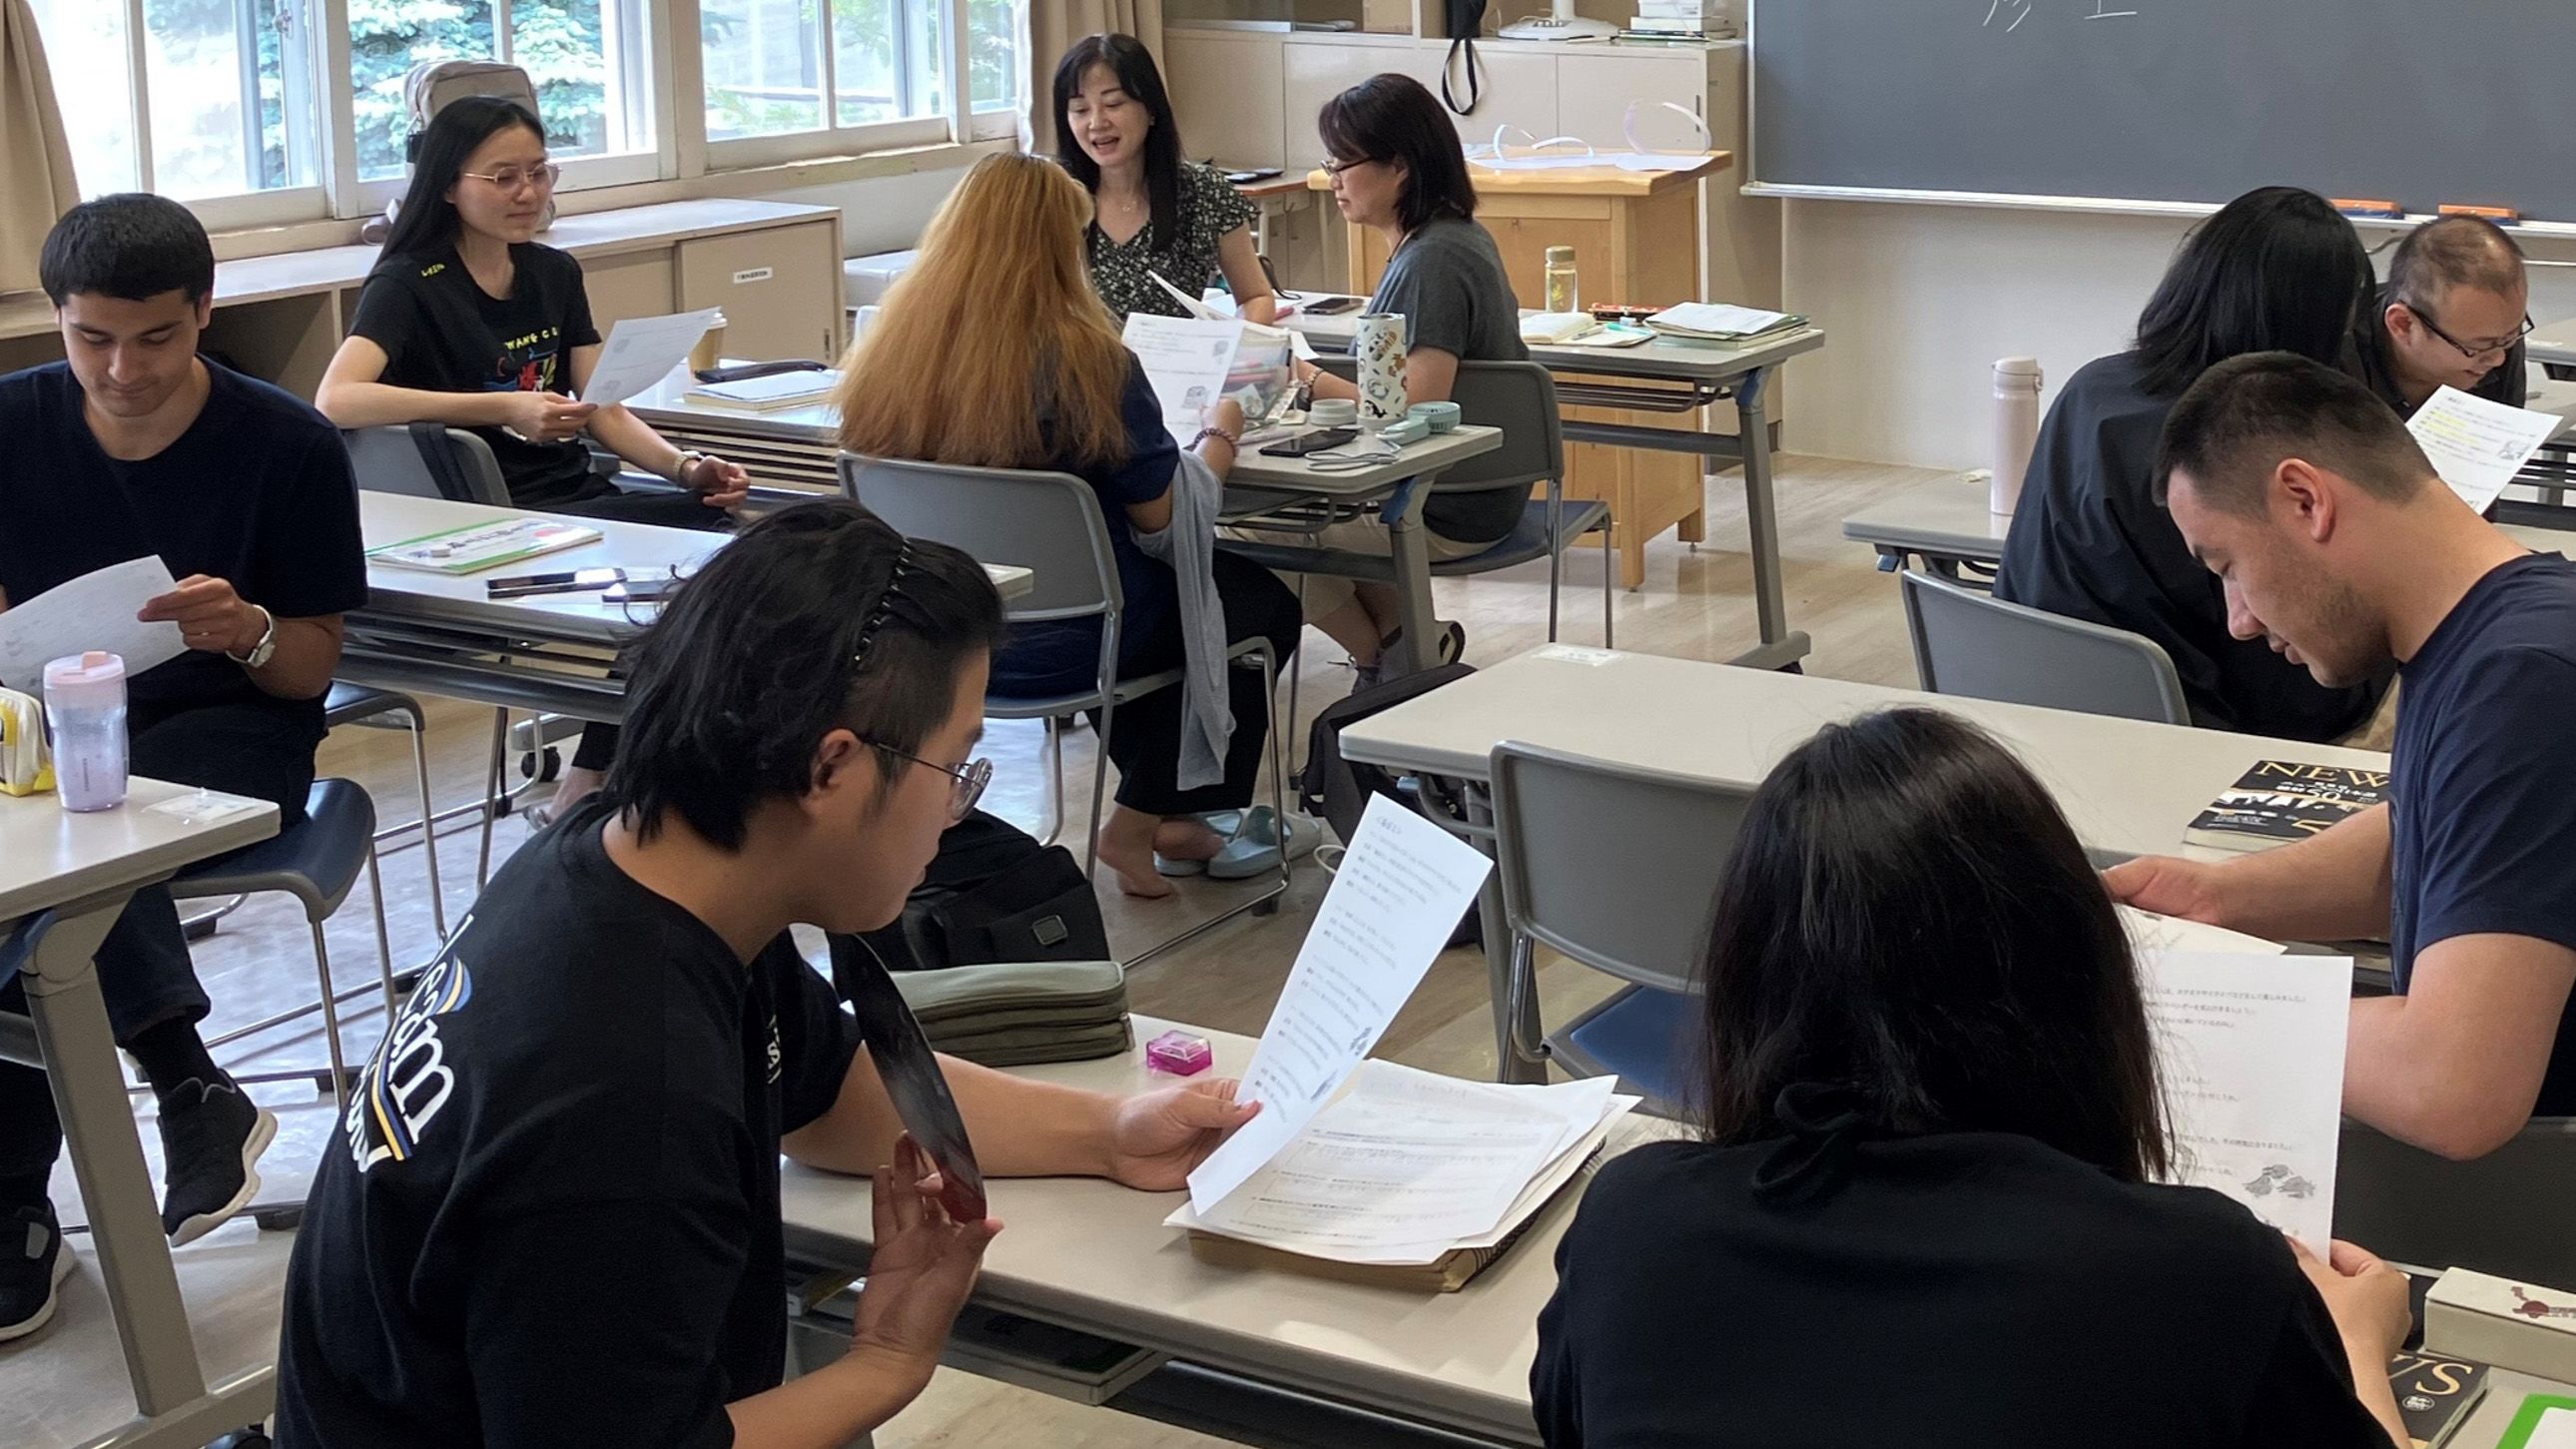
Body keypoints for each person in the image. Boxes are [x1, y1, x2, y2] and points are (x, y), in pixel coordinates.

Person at [274, 500, 1262, 1446]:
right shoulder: (622, 1092)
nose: (956, 811)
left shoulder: (623, 859)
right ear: (831, 769)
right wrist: (884, 1361)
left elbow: (831, 1088)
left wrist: (1108, 1131)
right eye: (954, 767)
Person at [1533, 708, 2410, 1449]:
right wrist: (2358, 1344)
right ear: (2075, 978)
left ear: (1746, 981)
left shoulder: (1630, 1227)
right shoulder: (2200, 1278)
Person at [0, 196, 366, 1339]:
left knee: (91, 836)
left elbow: (306, 670)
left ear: (204, 313)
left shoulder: (288, 445)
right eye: (91, 338)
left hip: (230, 730)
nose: (122, 369)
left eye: (155, 337)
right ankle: (187, 1080)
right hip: (43, 733)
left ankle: (18, 1209)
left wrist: (245, 626)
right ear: (56, 321)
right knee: (56, 841)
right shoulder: (9, 425)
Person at [2110, 352, 2576, 1160]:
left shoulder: (2524, 683)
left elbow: (2451, 1088)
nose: (2239, 621)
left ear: (2305, 499)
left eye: (2228, 566)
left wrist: (2164, 1002)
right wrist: (2215, 898)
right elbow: (2446, 842)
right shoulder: (2503, 630)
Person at [835, 153, 1300, 900]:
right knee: (1254, 603)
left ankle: (1171, 819)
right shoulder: (1089, 363)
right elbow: (1167, 516)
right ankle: (1143, 817)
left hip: (944, 636)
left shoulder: (887, 357)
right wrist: (1222, 432)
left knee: (1146, 602)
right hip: (1077, 639)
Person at [315, 96, 753, 821]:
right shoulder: (408, 284)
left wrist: (684, 466)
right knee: (690, 588)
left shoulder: (552, 272)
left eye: (539, 173)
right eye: (503, 177)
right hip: (498, 520)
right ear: (449, 185)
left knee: (730, 556)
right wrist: (501, 407)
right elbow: (337, 398)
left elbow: (601, 404)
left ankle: (629, 774)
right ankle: (595, 781)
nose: (527, 193)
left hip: (573, 500)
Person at [1996, 186, 2387, 743]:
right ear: (2317, 323)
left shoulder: (2091, 388)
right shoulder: (2246, 443)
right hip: (2187, 726)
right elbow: (2302, 682)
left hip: (2035, 703)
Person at [1257, 73, 1530, 680]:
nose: (1332, 180)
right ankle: (1409, 646)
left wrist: (1296, 376)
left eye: (1341, 164)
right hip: (1463, 486)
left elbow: (1405, 413)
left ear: (1398, 166)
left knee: (1245, 518)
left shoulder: (1432, 260)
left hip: (1449, 503)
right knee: (1276, 507)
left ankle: (1387, 660)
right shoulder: (1445, 240)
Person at [1054, 32, 1279, 326]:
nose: (1097, 123)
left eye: (1113, 104)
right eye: (1080, 110)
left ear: (1150, 109)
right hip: (1080, 369)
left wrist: (1232, 346)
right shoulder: (1052, 195)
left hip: (1178, 367)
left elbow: (1255, 297)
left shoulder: (1202, 191)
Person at [2355, 215, 2529, 416]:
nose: (2498, 359)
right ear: (2403, 325)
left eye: (2510, 336)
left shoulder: (2496, 336)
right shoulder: (2334, 354)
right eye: (2479, 346)